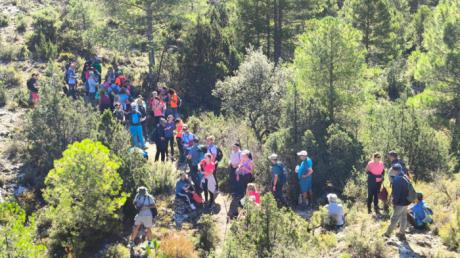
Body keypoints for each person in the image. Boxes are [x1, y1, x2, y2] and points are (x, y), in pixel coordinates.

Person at [384, 170, 411, 240]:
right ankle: (402, 233)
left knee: (395, 218)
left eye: (391, 172)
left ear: (394, 171)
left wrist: (394, 203)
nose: (390, 174)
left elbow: (396, 194)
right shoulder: (405, 177)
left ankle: (387, 234)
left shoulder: (396, 180)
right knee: (404, 217)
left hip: (400, 203)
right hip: (406, 202)